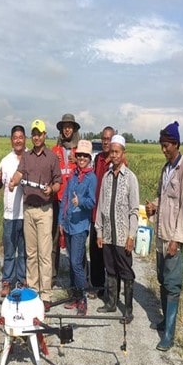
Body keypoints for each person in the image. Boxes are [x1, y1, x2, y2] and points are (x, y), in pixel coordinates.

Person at [146, 121, 183, 351]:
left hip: (173, 238)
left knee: (173, 285)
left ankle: (169, 335)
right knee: (163, 281)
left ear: (176, 144)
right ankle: (166, 320)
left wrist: (177, 239)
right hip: (161, 235)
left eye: (166, 145)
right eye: (161, 145)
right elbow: (163, 198)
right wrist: (154, 206)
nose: (163, 149)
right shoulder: (165, 169)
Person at [9, 119, 61, 300]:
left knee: (45, 254)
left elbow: (58, 182)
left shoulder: (52, 157)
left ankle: (45, 294)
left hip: (45, 210)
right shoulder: (26, 157)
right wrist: (13, 182)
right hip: (28, 209)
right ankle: (32, 290)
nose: (37, 137)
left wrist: (51, 189)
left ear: (45, 135)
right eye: (34, 134)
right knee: (31, 253)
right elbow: (19, 173)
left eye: (39, 133)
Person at [95, 135, 139, 323]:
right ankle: (111, 303)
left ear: (123, 153)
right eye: (111, 152)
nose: (113, 155)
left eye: (117, 152)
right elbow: (101, 206)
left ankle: (128, 310)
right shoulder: (106, 176)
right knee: (110, 269)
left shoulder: (130, 178)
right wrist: (99, 231)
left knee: (126, 271)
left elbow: (134, 210)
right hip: (108, 234)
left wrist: (131, 235)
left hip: (122, 236)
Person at [58, 140, 97, 316]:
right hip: (68, 224)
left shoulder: (91, 178)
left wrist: (80, 202)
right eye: (79, 155)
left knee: (76, 262)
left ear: (89, 158)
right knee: (72, 262)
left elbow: (92, 202)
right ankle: (75, 295)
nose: (81, 158)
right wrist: (60, 220)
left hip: (80, 226)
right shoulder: (73, 175)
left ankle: (82, 299)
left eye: (85, 156)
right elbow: (65, 197)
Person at [0, 125, 27, 297]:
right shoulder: (6, 160)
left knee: (23, 251)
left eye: (21, 137)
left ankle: (21, 280)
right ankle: (7, 281)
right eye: (15, 137)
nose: (18, 140)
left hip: (26, 213)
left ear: (25, 139)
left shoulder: (30, 158)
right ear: (11, 140)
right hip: (9, 214)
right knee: (9, 251)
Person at [51, 113, 81, 287]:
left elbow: (87, 171)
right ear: (61, 130)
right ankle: (53, 276)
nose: (67, 129)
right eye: (64, 126)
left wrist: (77, 161)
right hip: (57, 199)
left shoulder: (80, 152)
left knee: (75, 240)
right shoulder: (55, 151)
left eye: (70, 126)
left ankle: (77, 277)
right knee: (54, 238)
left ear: (74, 129)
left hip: (74, 202)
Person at [89, 126, 116, 299]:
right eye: (104, 139)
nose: (105, 142)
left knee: (109, 253)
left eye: (109, 139)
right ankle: (97, 285)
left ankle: (111, 290)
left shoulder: (117, 161)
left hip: (110, 216)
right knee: (94, 251)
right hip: (95, 212)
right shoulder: (97, 159)